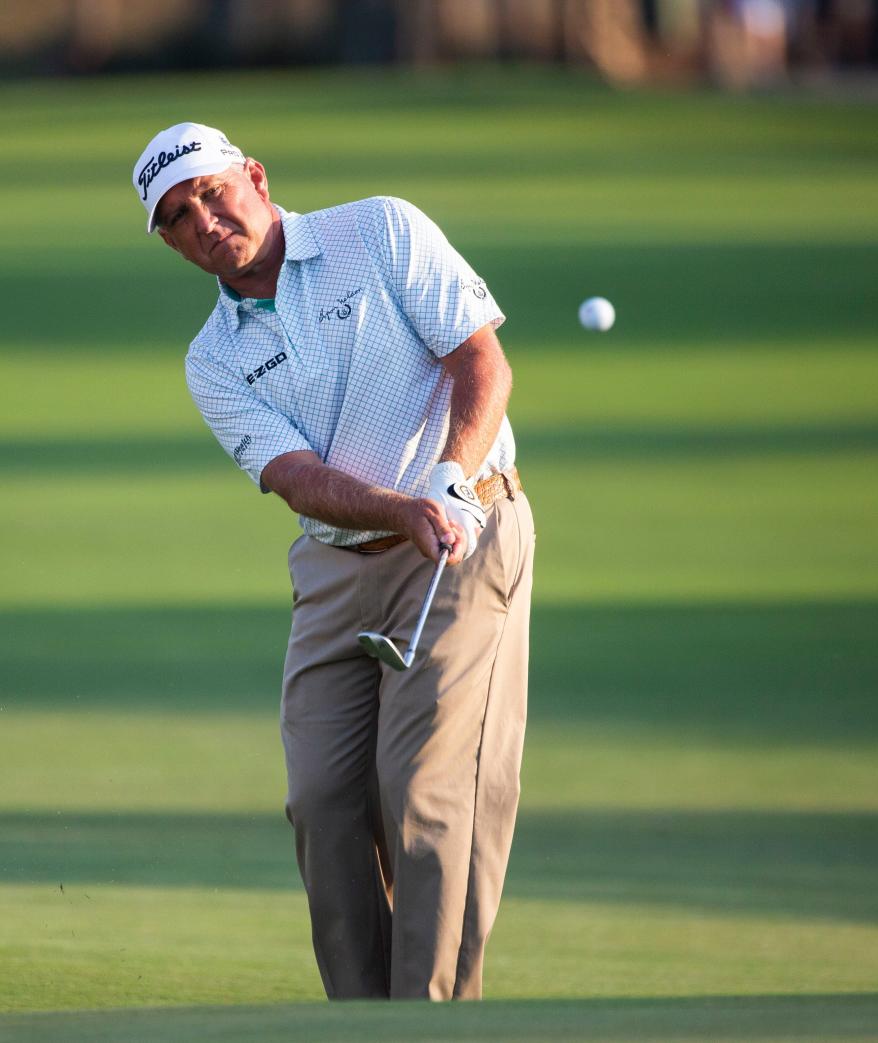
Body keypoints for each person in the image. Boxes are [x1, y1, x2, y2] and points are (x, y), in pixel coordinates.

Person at [131, 123, 535, 1000]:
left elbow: (481, 360)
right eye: (177, 217)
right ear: (169, 243)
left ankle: (432, 1014)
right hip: (339, 565)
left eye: (211, 192)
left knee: (424, 792)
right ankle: (361, 1016)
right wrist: (402, 507)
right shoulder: (215, 360)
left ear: (256, 177)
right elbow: (298, 479)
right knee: (321, 800)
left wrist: (447, 482)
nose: (203, 219)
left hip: (464, 538)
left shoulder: (379, 230)